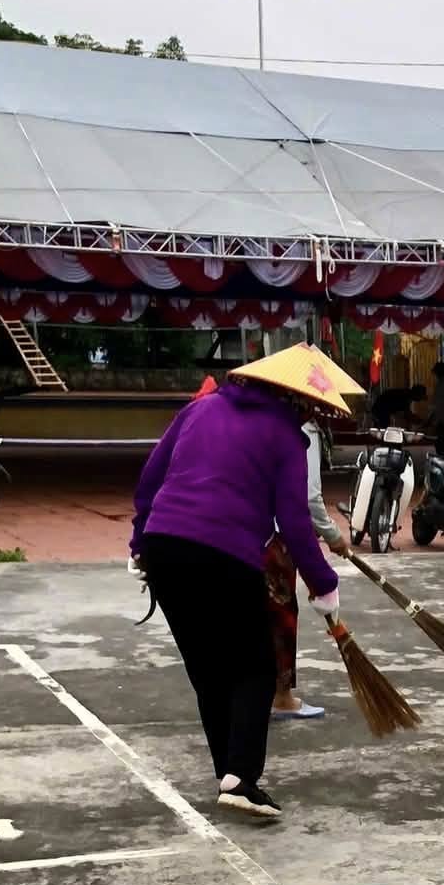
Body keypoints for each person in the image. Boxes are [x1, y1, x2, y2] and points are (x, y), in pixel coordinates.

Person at [131, 343, 360, 823]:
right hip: (225, 554)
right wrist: (323, 583)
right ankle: (241, 777)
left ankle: (230, 777)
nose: (310, 414)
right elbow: (293, 520)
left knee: (208, 671)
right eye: (309, 405)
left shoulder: (199, 410)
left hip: (165, 548)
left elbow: (149, 482)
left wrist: (139, 543)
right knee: (255, 667)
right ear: (292, 397)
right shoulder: (286, 436)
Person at [265, 420, 353, 721]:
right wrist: (332, 536)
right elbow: (308, 498)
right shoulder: (301, 431)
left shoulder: (252, 421)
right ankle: (281, 698)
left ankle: (249, 693)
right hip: (273, 538)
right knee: (281, 619)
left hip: (237, 532)